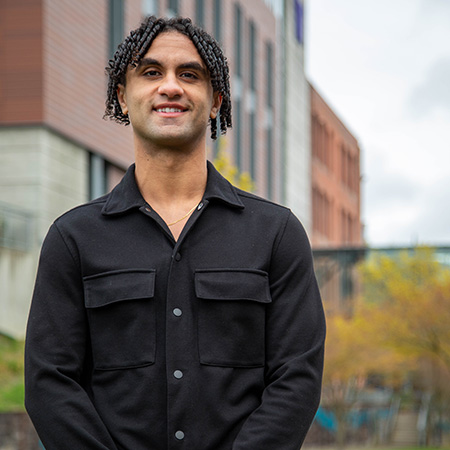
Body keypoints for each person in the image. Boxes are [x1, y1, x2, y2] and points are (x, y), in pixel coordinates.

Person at [25, 16, 325, 450]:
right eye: (151, 73)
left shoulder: (277, 234)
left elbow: (296, 379)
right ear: (123, 98)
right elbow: (49, 382)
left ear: (217, 100)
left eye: (190, 74)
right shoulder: (73, 238)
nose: (170, 86)